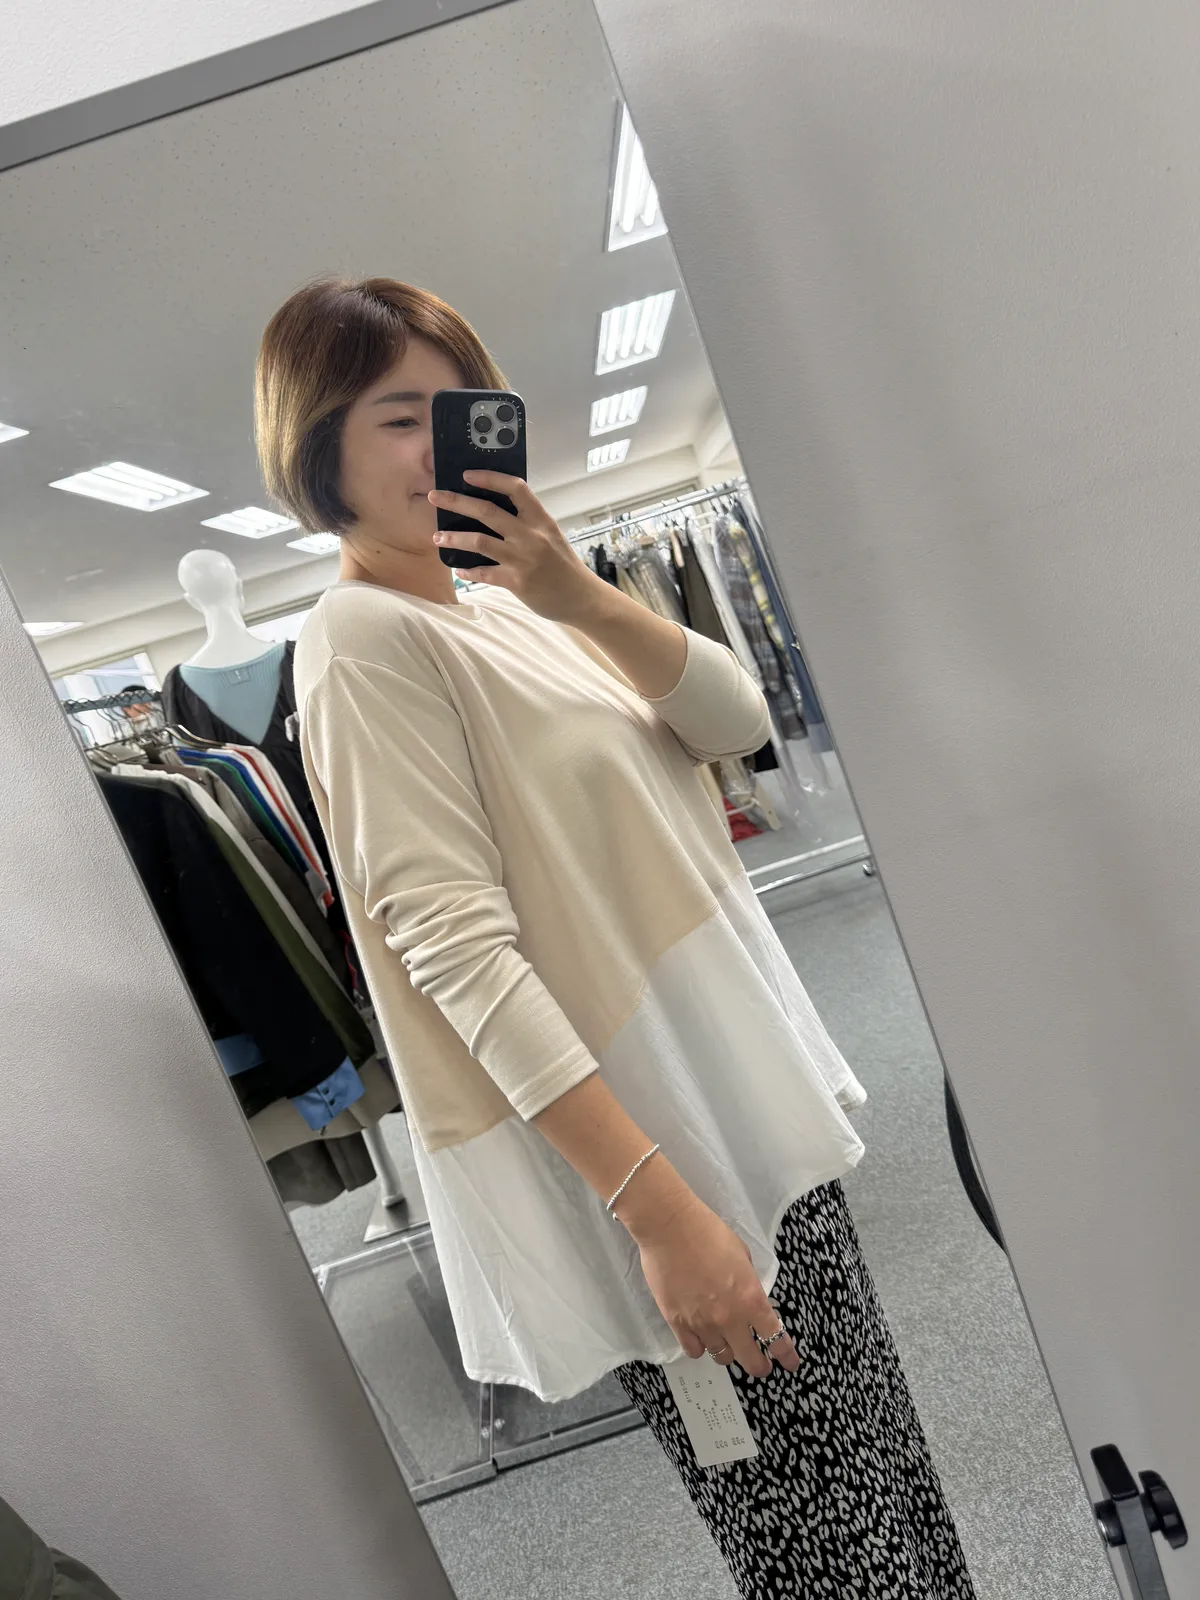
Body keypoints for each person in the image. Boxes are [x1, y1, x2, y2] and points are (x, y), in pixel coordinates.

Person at [257, 275, 976, 1598]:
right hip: (662, 1159)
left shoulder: (509, 605)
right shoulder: (358, 641)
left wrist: (577, 594)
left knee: (886, 1494)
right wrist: (659, 1212)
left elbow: (732, 721)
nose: (442, 446)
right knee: (826, 1549)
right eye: (402, 419)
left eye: (463, 410)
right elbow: (453, 950)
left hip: (734, 1108)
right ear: (316, 452)